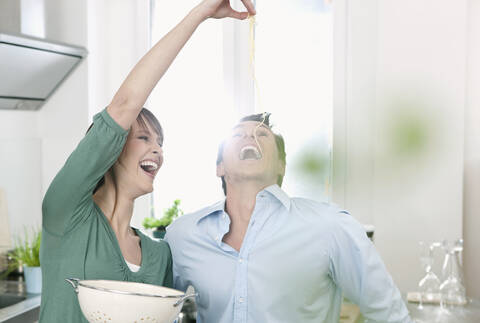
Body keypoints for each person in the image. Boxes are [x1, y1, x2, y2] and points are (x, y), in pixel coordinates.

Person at [39, 1, 256, 322]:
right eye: (143, 138)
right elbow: (125, 104)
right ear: (109, 150)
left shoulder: (158, 254)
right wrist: (200, 14)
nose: (157, 150)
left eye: (160, 142)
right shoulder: (67, 215)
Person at [165, 113, 414, 323]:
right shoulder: (183, 236)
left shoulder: (330, 226)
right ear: (219, 167)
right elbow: (155, 312)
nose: (250, 136)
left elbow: (390, 315)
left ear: (281, 165)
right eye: (237, 134)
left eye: (262, 134)